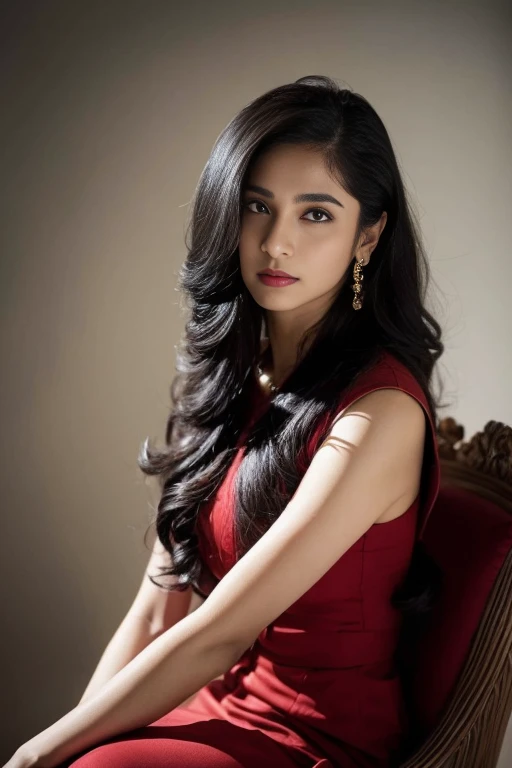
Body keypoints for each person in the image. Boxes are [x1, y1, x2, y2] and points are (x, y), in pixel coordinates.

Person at [6, 75, 445, 768]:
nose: (277, 243)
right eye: (257, 207)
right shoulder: (234, 378)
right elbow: (156, 610)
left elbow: (220, 631)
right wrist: (65, 742)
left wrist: (39, 754)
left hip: (316, 740)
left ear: (370, 235)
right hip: (217, 700)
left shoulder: (379, 415)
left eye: (317, 214)